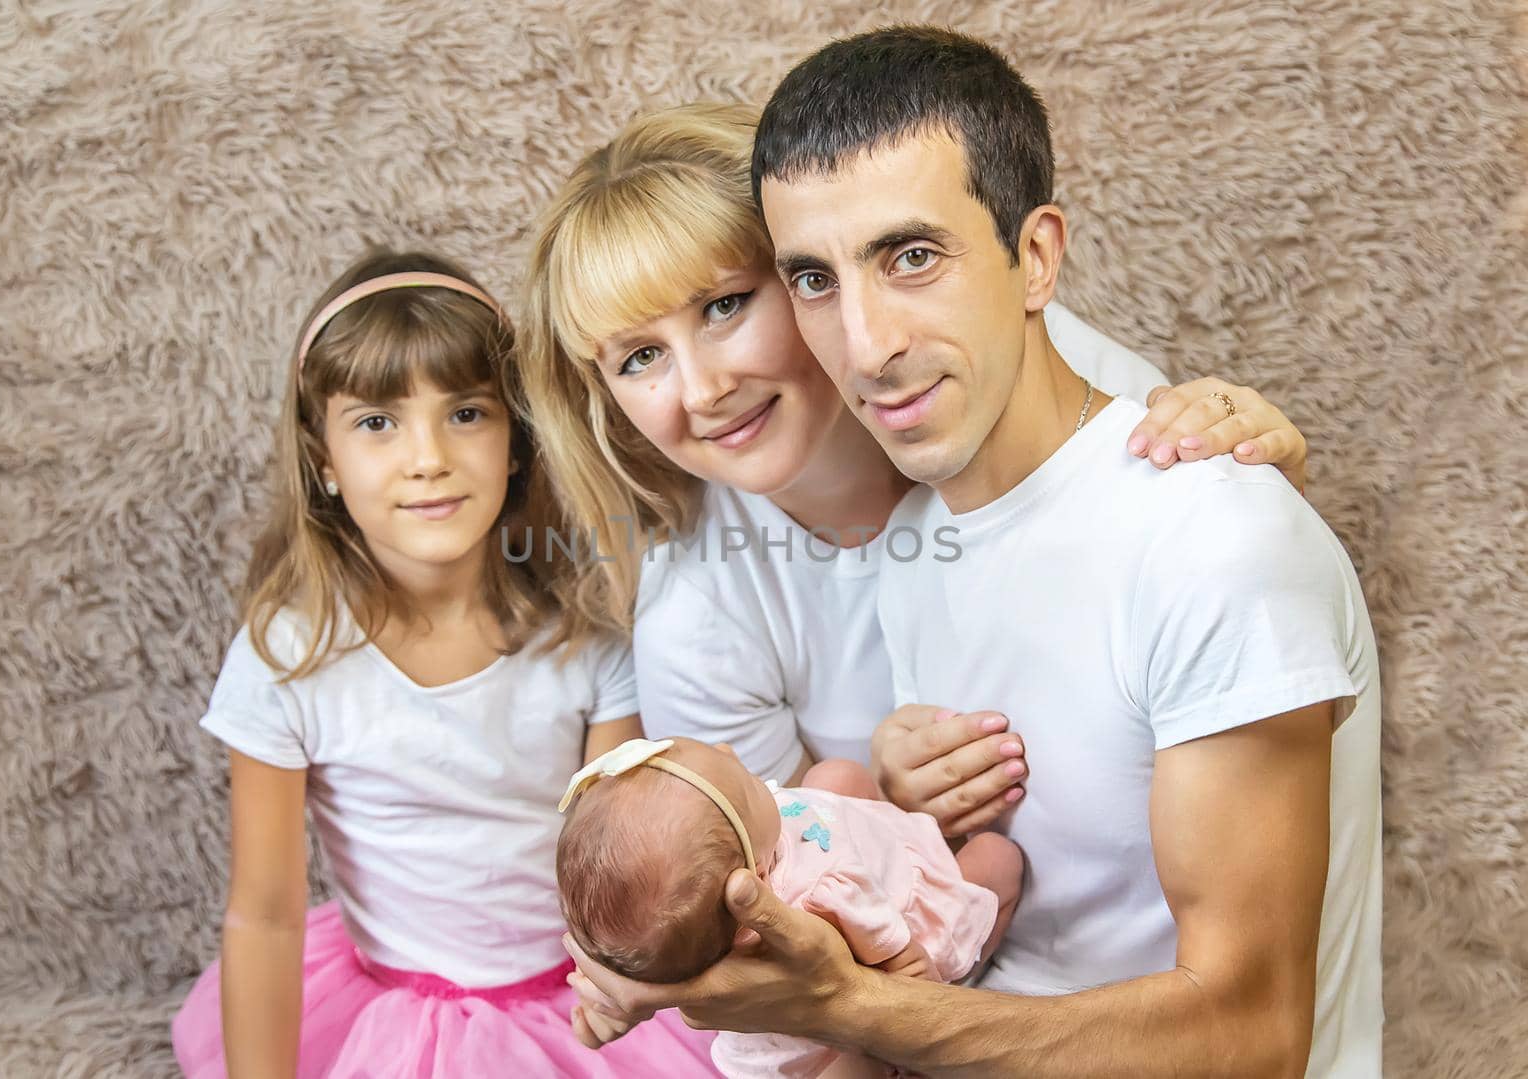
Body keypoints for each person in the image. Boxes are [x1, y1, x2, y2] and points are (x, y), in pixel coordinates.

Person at [566, 26, 1383, 1078]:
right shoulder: (916, 535)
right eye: (814, 277)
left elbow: (1248, 1036)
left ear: (1036, 256)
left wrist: (849, 1002)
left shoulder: (1209, 527)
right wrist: (894, 815)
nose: (868, 341)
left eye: (912, 256)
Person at [516, 103, 1310, 819]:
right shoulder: (697, 613)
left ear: (813, 275)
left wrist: (1253, 481)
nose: (703, 389)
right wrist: (888, 802)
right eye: (639, 357)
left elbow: (1218, 592)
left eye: (725, 306)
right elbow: (803, 915)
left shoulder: (1021, 360)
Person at [169, 249, 717, 1077]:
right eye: (377, 422)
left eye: (466, 414)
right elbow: (267, 915)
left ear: (516, 441)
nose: (427, 456)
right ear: (322, 457)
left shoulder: (587, 636)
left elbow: (622, 879)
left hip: (577, 999)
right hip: (385, 1005)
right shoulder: (289, 654)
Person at [557, 737, 1020, 1079]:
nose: (729, 750)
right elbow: (892, 954)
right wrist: (912, 982)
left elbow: (635, 975)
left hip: (847, 840)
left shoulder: (694, 912)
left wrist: (608, 1013)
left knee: (835, 776)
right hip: (884, 940)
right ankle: (967, 960)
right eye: (745, 783)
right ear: (756, 877)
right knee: (999, 859)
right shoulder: (825, 896)